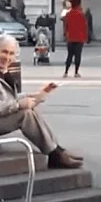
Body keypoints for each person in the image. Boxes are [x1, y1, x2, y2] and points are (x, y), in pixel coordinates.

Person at [0, 34, 84, 168]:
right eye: (4, 52)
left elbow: (9, 99)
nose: (8, 58)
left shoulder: (5, 73)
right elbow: (11, 104)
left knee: (28, 110)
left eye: (11, 54)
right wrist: (18, 105)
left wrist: (40, 94)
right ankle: (55, 154)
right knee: (25, 114)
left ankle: (57, 150)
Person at [63, 0, 87, 78]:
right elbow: (84, 27)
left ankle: (66, 72)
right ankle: (76, 72)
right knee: (78, 55)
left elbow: (66, 25)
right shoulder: (81, 14)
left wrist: (66, 34)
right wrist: (85, 37)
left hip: (70, 37)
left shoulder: (68, 14)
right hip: (79, 38)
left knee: (69, 55)